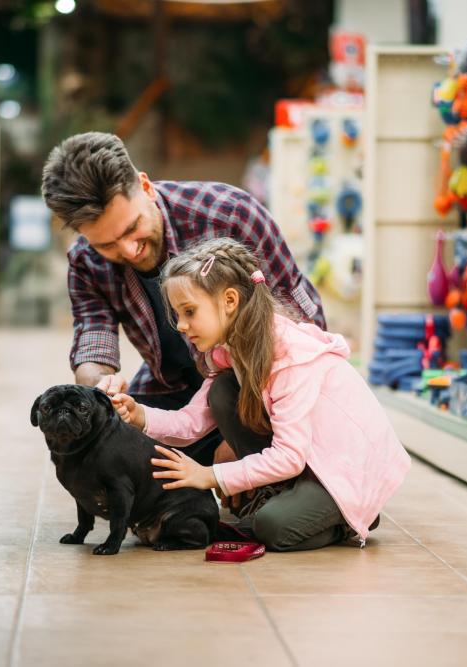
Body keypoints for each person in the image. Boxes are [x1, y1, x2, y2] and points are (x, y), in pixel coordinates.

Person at [41, 132, 325, 466]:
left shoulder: (229, 214)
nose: (129, 250)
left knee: (232, 409)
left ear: (145, 187)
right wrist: (101, 387)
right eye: (107, 245)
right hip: (175, 389)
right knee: (111, 445)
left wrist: (241, 437)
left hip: (261, 387)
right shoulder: (85, 261)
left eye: (133, 228)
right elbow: (93, 341)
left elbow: (303, 328)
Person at [110, 238, 411, 551]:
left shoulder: (289, 356)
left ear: (229, 300)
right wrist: (139, 414)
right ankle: (287, 496)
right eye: (177, 315)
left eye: (189, 311)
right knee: (223, 392)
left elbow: (289, 457)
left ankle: (349, 519)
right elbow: (191, 423)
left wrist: (209, 476)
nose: (182, 326)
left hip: (344, 467)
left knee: (271, 528)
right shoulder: (230, 351)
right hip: (309, 458)